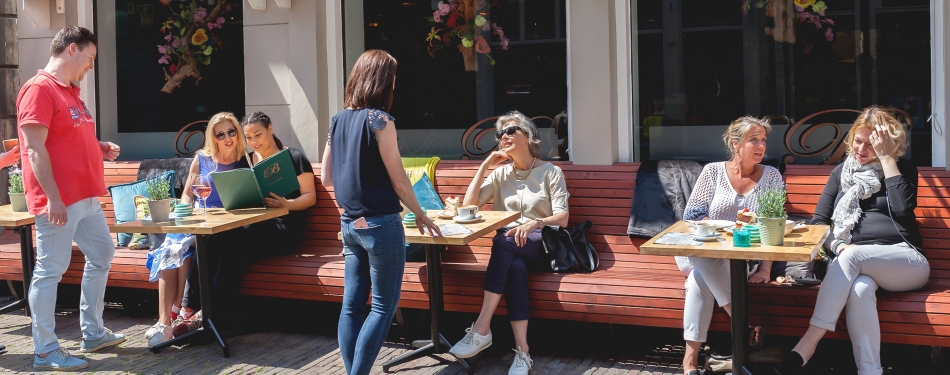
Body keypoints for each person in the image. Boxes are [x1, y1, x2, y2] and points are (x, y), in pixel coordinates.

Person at [778, 107, 930, 375]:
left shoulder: (902, 170)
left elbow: (903, 208)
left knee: (852, 255)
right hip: (856, 266)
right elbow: (820, 224)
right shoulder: (841, 173)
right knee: (859, 288)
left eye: (871, 144)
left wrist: (886, 159)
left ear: (888, 144)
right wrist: (837, 245)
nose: (861, 148)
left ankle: (808, 344)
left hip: (906, 261)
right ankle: (870, 371)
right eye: (858, 140)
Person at [321, 49, 442, 375]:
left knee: (351, 307)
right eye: (393, 80)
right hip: (380, 225)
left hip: (350, 225)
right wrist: (421, 213)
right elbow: (400, 181)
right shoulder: (380, 120)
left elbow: (326, 177)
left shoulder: (338, 119)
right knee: (383, 306)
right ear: (383, 82)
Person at [17, 26, 124, 370]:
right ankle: (45, 349)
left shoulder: (71, 91)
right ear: (72, 49)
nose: (91, 66)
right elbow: (34, 148)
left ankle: (92, 332)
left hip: (86, 196)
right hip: (60, 201)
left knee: (103, 253)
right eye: (90, 58)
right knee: (50, 270)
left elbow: (66, 136)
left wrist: (98, 145)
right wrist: (54, 199)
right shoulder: (39, 89)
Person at [448, 111, 570, 375]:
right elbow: (468, 207)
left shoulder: (551, 171)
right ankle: (523, 352)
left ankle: (481, 328)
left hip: (541, 242)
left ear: (527, 135)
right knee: (514, 265)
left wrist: (535, 223)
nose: (504, 136)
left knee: (505, 241)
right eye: (500, 133)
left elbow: (562, 218)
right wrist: (484, 166)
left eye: (510, 130)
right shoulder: (501, 174)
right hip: (510, 248)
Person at [677, 116, 783, 375]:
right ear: (736, 144)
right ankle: (745, 322)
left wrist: (765, 271)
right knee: (707, 257)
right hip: (702, 249)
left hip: (742, 260)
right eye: (753, 140)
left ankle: (689, 362)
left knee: (698, 281)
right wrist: (718, 228)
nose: (760, 146)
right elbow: (692, 215)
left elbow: (774, 226)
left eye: (763, 141)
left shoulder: (772, 176)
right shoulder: (713, 171)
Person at [143, 112, 249, 348]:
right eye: (220, 134)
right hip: (198, 219)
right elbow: (187, 195)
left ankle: (180, 313)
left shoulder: (245, 159)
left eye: (231, 132)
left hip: (224, 224)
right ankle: (164, 321)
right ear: (213, 137)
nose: (227, 137)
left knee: (192, 250)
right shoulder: (202, 158)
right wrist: (186, 212)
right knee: (171, 248)